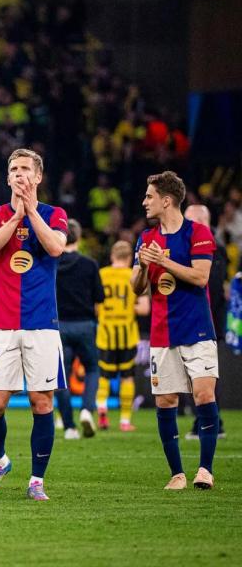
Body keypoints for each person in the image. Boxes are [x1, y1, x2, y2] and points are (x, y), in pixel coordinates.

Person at [0, 148, 68, 501]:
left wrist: (31, 211)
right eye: (13, 169)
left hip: (42, 323)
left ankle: (36, 481)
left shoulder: (54, 214)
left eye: (26, 169)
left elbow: (56, 247)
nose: (19, 174)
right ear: (7, 177)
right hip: (2, 322)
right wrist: (15, 218)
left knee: (41, 403)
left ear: (38, 177)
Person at [131, 171, 219, 490]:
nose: (144, 202)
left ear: (166, 200)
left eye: (149, 196)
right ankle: (177, 474)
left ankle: (205, 470)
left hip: (196, 329)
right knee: (165, 401)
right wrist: (143, 266)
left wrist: (163, 262)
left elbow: (200, 277)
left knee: (204, 394)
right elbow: (136, 289)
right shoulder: (145, 239)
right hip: (161, 333)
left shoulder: (198, 233)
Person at [53, 219, 104, 439]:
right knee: (92, 369)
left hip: (58, 326)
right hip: (84, 325)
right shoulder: (89, 264)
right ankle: (86, 409)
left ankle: (69, 427)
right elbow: (99, 298)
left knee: (60, 378)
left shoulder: (51, 263)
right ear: (80, 238)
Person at [183, 204, 227, 440]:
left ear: (202, 220)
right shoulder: (196, 245)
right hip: (196, 318)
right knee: (196, 375)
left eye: (190, 220)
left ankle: (212, 422)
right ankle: (207, 421)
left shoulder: (213, 248)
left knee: (205, 375)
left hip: (207, 320)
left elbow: (214, 287)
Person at [96, 240, 141, 432]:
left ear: (112, 256)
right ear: (129, 257)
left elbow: (96, 307)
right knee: (127, 377)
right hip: (128, 334)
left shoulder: (101, 274)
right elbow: (145, 307)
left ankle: (102, 410)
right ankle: (124, 421)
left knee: (104, 376)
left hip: (106, 332)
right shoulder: (133, 274)